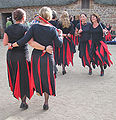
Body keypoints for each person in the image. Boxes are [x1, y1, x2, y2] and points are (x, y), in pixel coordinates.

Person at [11, 7, 63, 110]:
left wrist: (13, 45)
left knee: (37, 76)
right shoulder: (52, 29)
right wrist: (60, 35)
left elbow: (24, 40)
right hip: (47, 57)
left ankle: (39, 90)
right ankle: (46, 102)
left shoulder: (34, 27)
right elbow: (59, 44)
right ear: (49, 16)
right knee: (47, 78)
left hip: (36, 56)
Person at [3, 8, 53, 110]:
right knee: (24, 78)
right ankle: (24, 101)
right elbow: (30, 42)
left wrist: (12, 45)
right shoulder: (25, 28)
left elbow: (4, 43)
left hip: (11, 56)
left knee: (15, 77)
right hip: (22, 56)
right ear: (23, 17)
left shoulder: (8, 29)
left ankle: (22, 100)